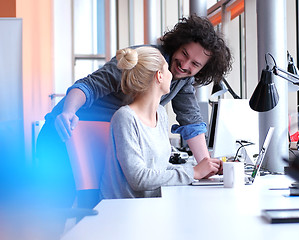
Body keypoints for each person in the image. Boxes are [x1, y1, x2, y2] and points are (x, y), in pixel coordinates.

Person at [36, 15, 232, 207]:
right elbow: (90, 85)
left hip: (97, 142)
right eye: (184, 54)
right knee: (57, 209)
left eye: (195, 64)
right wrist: (69, 112)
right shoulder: (143, 62)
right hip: (65, 131)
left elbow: (191, 121)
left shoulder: (180, 79)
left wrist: (206, 166)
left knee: (89, 208)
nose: (185, 65)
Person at [101, 47, 217, 198]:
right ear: (160, 76)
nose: (172, 75)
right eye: (167, 70)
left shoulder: (160, 114)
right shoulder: (125, 118)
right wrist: (193, 172)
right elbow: (139, 178)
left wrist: (199, 169)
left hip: (152, 204)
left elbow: (158, 168)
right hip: (126, 208)